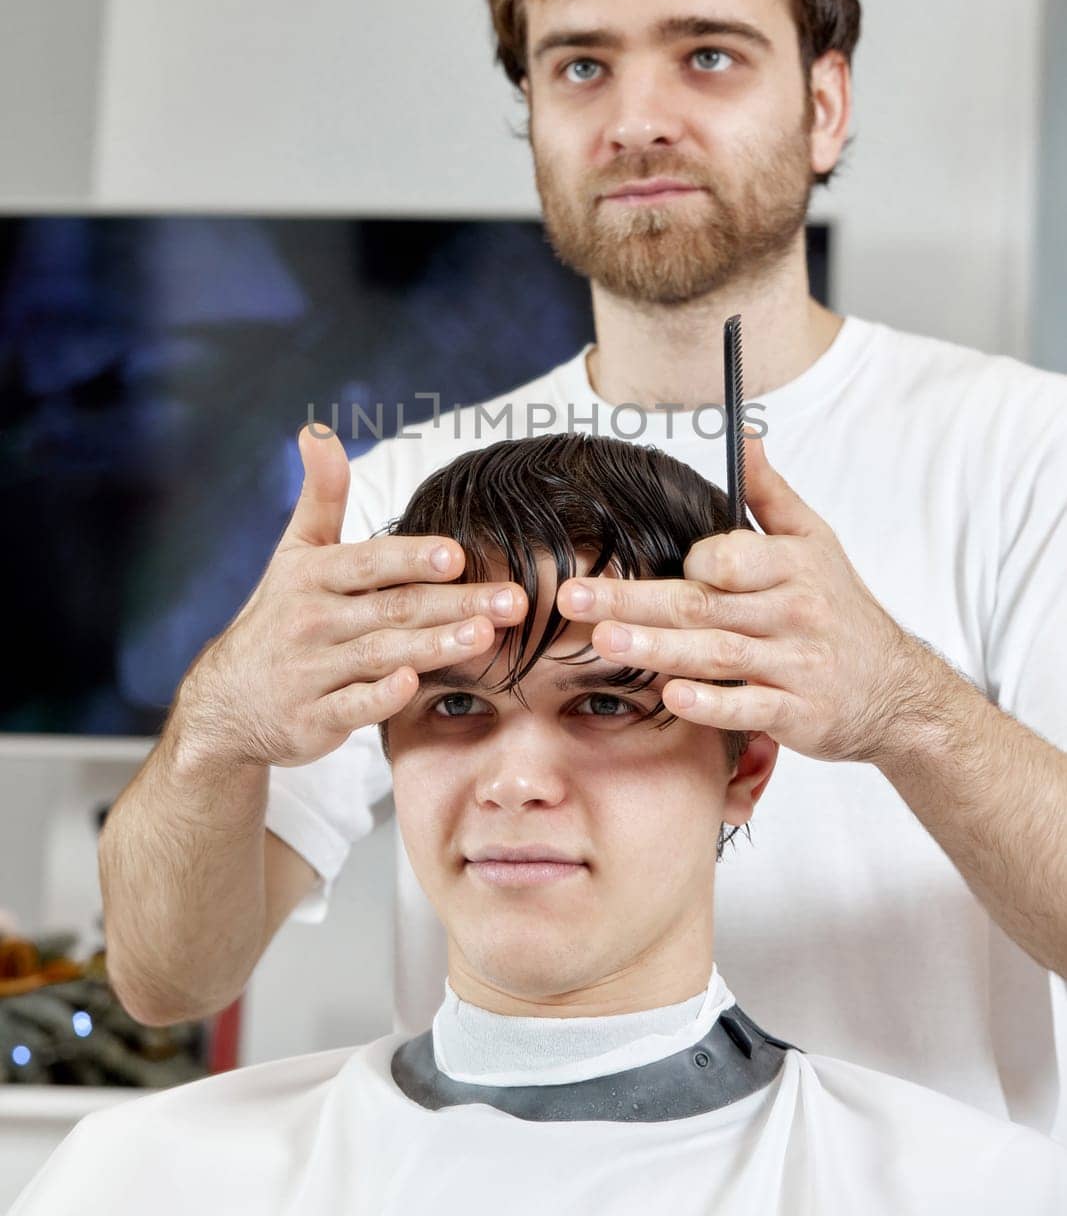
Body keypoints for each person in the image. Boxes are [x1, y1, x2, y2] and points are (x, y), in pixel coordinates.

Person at [98, 0, 1067, 1142]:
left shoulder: (1020, 454)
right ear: (535, 115)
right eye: (579, 65)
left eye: (706, 55)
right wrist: (220, 721)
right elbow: (167, 976)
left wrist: (897, 703)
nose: (636, 119)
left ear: (823, 103)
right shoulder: (408, 492)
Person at [18, 436, 1067, 1215]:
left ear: (742, 763)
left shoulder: (960, 1189)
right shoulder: (152, 1178)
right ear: (386, 744)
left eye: (604, 705)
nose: (515, 781)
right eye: (458, 706)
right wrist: (212, 722)